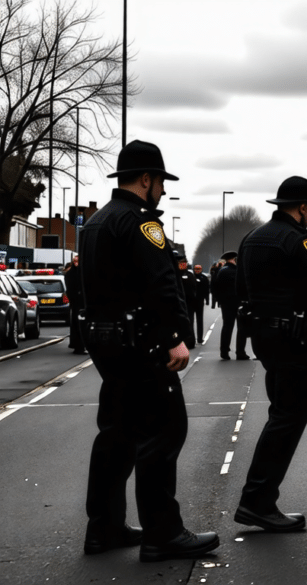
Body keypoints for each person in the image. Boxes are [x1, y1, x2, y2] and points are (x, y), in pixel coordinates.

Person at [78, 140, 217, 562]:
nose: (161, 191)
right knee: (165, 431)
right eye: (159, 182)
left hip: (105, 341)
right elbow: (160, 283)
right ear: (145, 180)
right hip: (142, 343)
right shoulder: (142, 223)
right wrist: (175, 335)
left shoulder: (97, 222)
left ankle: (104, 527)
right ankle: (163, 533)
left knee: (116, 433)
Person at [233, 176, 307, 532]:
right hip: (295, 340)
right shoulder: (301, 240)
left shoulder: (252, 238)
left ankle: (260, 499)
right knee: (290, 417)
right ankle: (258, 500)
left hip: (265, 340)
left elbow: (240, 290)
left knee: (281, 412)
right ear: (304, 208)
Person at [212, 251, 250, 360]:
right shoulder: (236, 271)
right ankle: (240, 352)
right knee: (241, 327)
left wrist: (220, 300)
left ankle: (224, 351)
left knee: (227, 327)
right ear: (234, 260)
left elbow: (214, 287)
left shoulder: (220, 271)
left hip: (225, 304)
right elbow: (242, 287)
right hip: (237, 303)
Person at [174, 251, 198, 350]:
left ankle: (188, 340)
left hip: (185, 302)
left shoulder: (178, 274)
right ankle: (189, 340)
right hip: (186, 302)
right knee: (188, 322)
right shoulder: (187, 274)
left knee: (187, 322)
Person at [65, 254, 86, 354]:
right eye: (75, 262)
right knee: (76, 325)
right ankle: (78, 346)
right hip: (76, 304)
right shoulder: (70, 274)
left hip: (82, 304)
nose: (76, 264)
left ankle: (81, 345)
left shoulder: (84, 273)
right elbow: (69, 289)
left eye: (78, 262)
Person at [193, 264, 210, 342]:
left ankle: (200, 338)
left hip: (200, 301)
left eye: (199, 269)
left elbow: (207, 289)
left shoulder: (204, 278)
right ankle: (191, 338)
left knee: (200, 320)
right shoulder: (191, 277)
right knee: (190, 320)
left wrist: (207, 300)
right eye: (196, 269)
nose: (197, 270)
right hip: (191, 301)